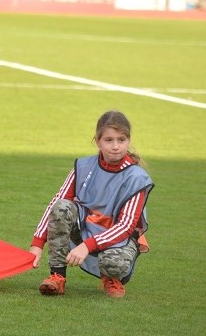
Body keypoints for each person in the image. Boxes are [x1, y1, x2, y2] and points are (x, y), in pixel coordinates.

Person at [29, 110, 153, 298]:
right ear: (97, 141)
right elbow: (57, 202)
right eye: (108, 140)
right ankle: (57, 276)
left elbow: (126, 226)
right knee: (62, 207)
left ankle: (111, 278)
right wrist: (37, 242)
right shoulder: (84, 166)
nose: (115, 146)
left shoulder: (137, 178)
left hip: (118, 238)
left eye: (121, 140)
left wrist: (88, 245)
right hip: (85, 229)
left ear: (129, 140)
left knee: (115, 264)